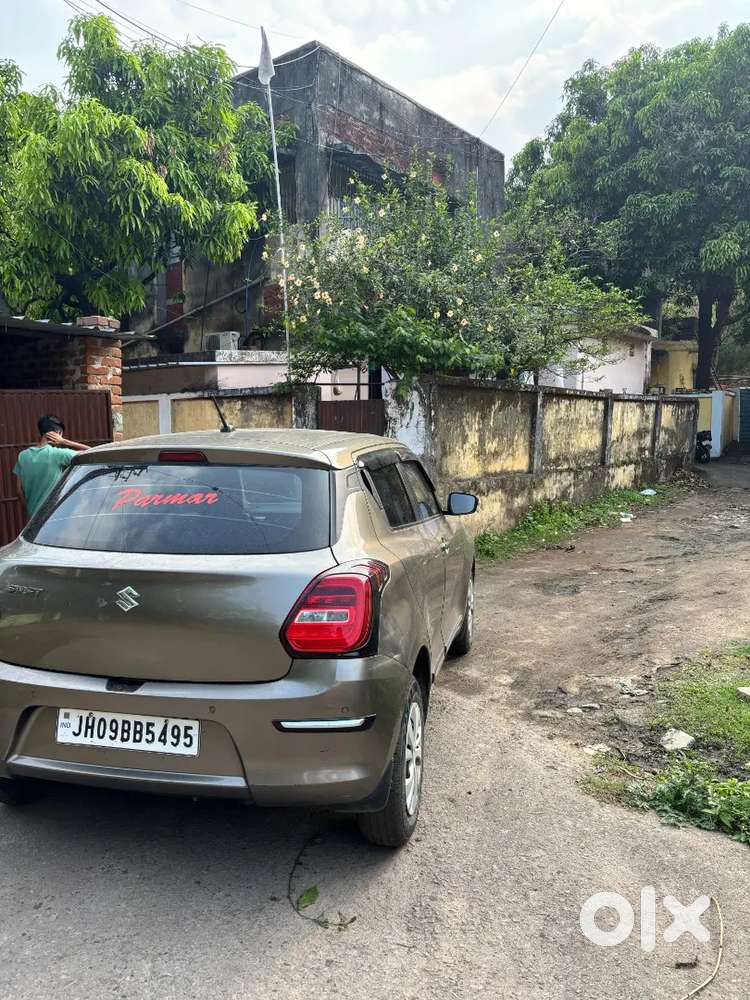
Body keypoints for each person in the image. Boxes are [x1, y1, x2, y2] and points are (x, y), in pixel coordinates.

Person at [14, 415, 91, 517]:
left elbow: (19, 491)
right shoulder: (58, 454)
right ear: (58, 434)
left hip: (33, 520)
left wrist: (30, 511)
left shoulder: (23, 456)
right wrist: (64, 441)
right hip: (53, 518)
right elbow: (94, 452)